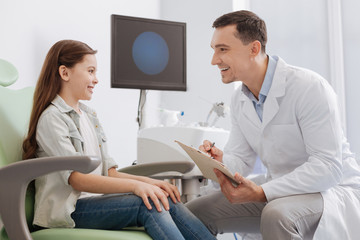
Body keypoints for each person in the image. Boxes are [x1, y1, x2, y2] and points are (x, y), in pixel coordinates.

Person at [186, 10, 360, 240]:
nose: (214, 60)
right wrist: (221, 162)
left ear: (254, 49)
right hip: (278, 191)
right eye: (214, 50)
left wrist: (261, 192)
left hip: (328, 192)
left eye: (223, 49)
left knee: (276, 214)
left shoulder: (309, 87)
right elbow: (241, 160)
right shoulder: (240, 99)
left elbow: (328, 168)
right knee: (195, 213)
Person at [22, 39, 215, 240]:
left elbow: (110, 173)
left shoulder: (89, 116)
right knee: (148, 204)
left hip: (96, 203)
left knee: (162, 196)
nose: (96, 79)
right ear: (65, 73)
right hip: (68, 212)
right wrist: (136, 187)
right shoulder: (52, 118)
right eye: (90, 71)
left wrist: (151, 184)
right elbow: (76, 179)